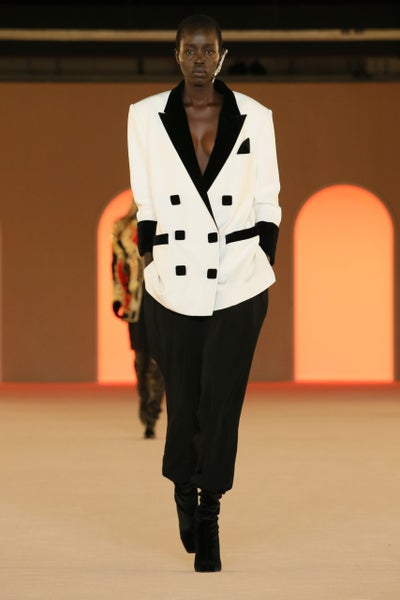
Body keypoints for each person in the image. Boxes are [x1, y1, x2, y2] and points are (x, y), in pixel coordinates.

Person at [127, 13, 281, 572]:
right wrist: (152, 258)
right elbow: (146, 199)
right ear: (176, 54)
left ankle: (210, 511)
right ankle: (182, 489)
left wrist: (263, 256)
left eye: (208, 50)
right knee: (185, 400)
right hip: (173, 281)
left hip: (238, 277)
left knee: (222, 404)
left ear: (222, 55)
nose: (199, 59)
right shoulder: (144, 116)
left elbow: (267, 197)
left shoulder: (256, 117)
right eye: (189, 50)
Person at [111, 200, 164, 439]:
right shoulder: (122, 229)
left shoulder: (165, 223)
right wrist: (117, 297)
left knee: (158, 362)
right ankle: (146, 404)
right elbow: (116, 266)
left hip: (161, 301)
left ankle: (153, 413)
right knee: (141, 361)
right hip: (136, 303)